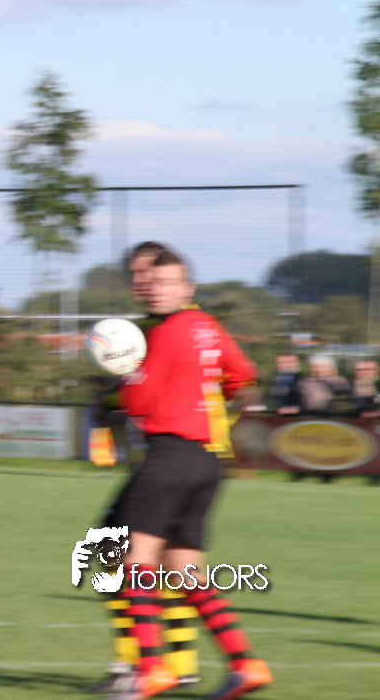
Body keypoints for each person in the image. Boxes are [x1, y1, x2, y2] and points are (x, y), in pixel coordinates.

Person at [105, 249, 271, 700]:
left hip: (170, 456)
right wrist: (210, 395)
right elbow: (243, 373)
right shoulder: (206, 325)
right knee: (185, 574)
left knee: (132, 562)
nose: (154, 289)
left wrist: (122, 375)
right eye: (150, 282)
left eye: (165, 282)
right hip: (207, 461)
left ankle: (151, 668)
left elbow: (138, 402)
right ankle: (246, 664)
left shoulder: (165, 332)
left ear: (186, 288)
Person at [92, 242, 203, 695]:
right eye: (136, 276)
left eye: (149, 275)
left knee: (111, 553)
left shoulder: (174, 328)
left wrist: (114, 395)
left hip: (176, 459)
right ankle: (178, 663)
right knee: (167, 565)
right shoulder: (155, 328)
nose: (142, 283)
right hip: (173, 460)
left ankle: (138, 665)